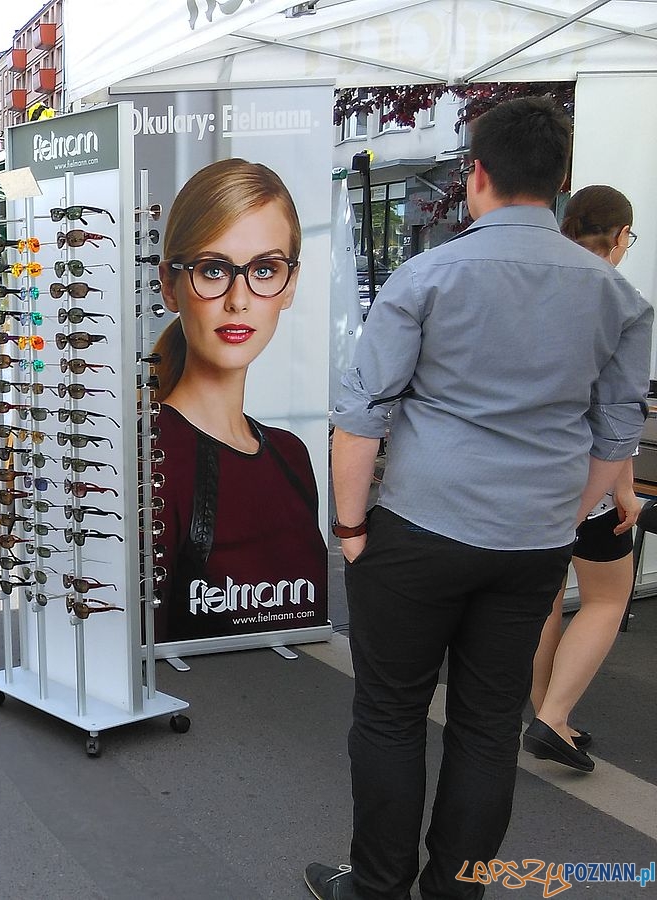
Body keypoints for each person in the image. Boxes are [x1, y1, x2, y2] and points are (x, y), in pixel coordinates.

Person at [308, 98, 653, 900]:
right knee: (488, 726)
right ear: (561, 183)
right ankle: (456, 890)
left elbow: (361, 419)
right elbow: (616, 436)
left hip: (421, 527)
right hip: (532, 541)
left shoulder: (427, 275)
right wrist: (564, 517)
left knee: (390, 714)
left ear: (477, 175)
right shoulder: (618, 296)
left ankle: (377, 886)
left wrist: (350, 528)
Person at [150, 159, 327, 644]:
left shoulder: (292, 455)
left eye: (264, 270)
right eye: (213, 270)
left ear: (290, 285)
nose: (238, 299)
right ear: (169, 285)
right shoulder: (152, 461)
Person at [528, 185, 643, 773]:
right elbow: (617, 411)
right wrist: (623, 487)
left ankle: (544, 711)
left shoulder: (535, 285)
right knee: (607, 597)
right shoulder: (619, 299)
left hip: (532, 473)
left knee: (545, 599)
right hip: (588, 478)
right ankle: (553, 718)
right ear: (619, 236)